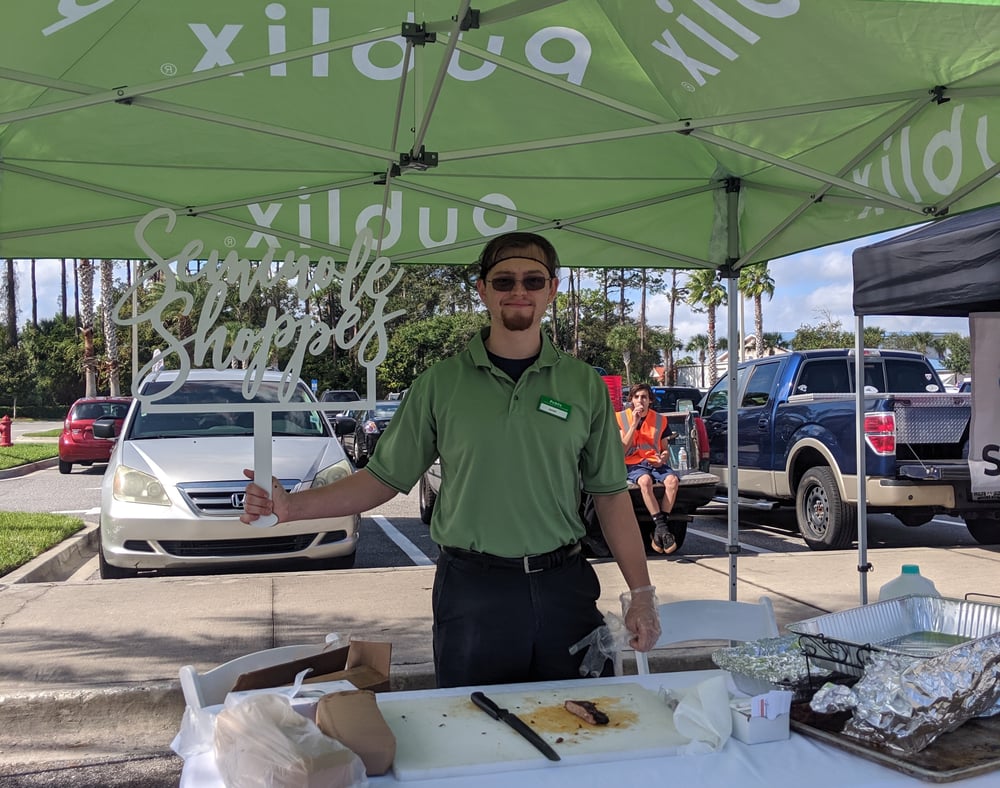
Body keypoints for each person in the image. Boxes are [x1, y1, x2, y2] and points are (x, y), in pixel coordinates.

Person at [240, 231, 660, 688]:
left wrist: (642, 593)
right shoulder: (440, 384)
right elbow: (382, 479)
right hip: (473, 593)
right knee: (473, 731)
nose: (519, 290)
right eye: (504, 281)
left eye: (533, 280)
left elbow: (611, 497)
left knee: (582, 729)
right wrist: (292, 507)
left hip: (565, 588)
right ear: (482, 290)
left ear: (552, 289)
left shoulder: (583, 386)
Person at [617, 383, 680, 555]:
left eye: (644, 397)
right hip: (633, 462)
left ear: (650, 400)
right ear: (631, 399)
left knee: (672, 481)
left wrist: (664, 457)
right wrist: (634, 424)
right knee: (645, 481)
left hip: (654, 461)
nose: (640, 401)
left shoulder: (660, 419)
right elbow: (622, 449)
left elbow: (665, 448)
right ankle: (662, 529)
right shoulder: (621, 418)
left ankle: (660, 530)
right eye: (636, 397)